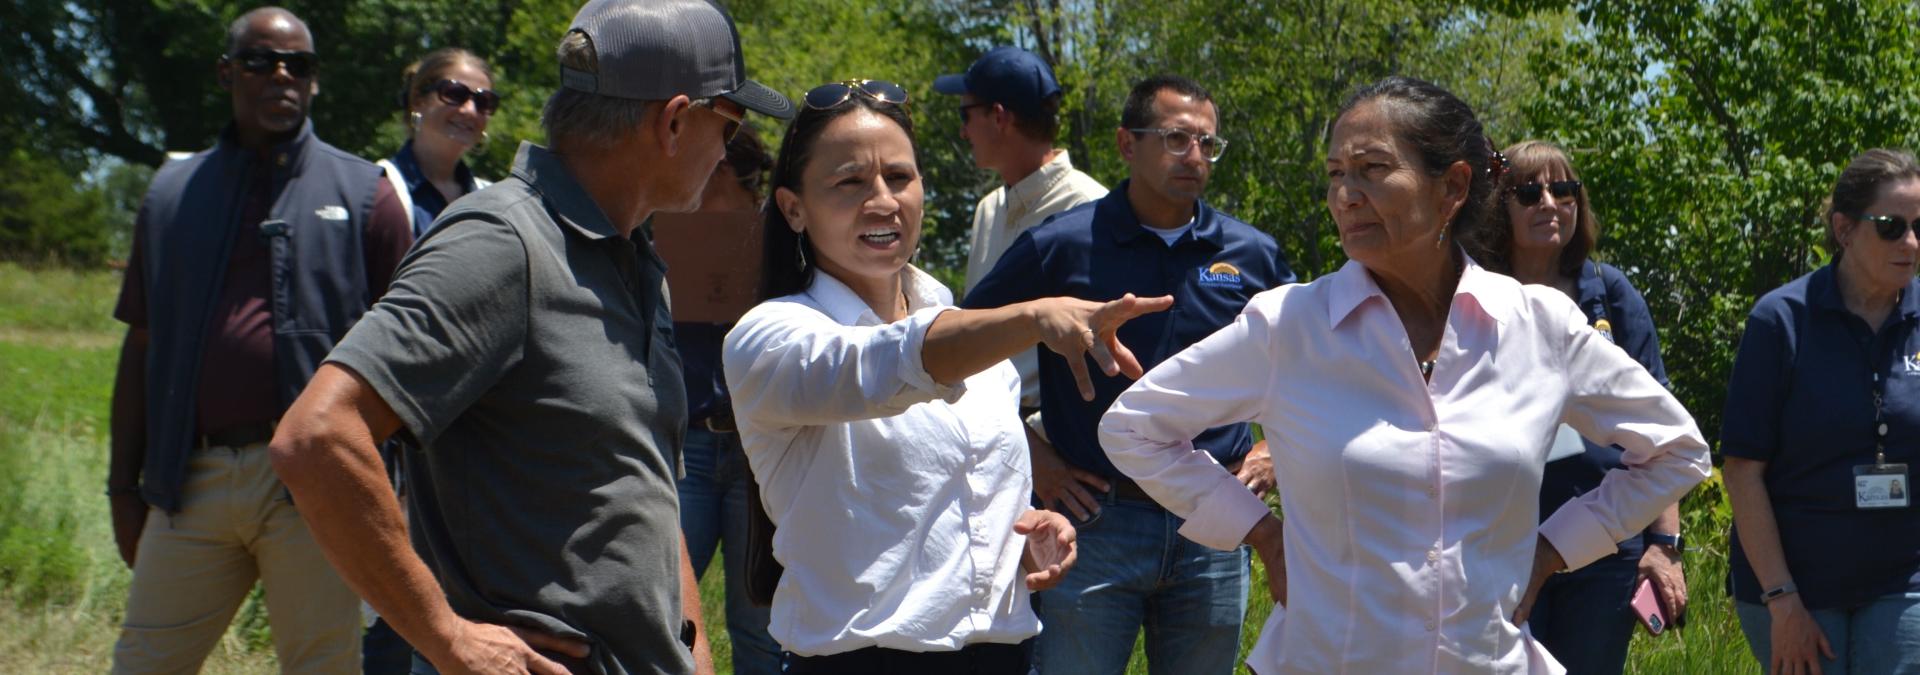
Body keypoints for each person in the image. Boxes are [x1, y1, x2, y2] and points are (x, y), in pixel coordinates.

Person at [1098, 76, 1711, 674]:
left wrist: (1553, 552)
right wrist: (1259, 533)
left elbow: (1678, 452)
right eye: (1337, 173)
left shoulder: (1537, 325)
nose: (1345, 194)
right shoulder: (1290, 327)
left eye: (1371, 169)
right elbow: (1133, 429)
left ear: (1453, 187)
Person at [264, 1, 793, 674]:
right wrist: (449, 637)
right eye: (731, 122)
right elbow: (316, 437)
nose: (729, 149)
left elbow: (642, 483)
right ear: (673, 121)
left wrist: (693, 652)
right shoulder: (501, 242)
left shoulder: (638, 263)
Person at [722, 79, 1157, 674]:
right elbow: (887, 365)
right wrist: (1033, 315)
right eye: (849, 182)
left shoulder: (982, 355)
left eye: (899, 177)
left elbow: (953, 498)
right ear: (793, 208)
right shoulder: (770, 338)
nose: (882, 200)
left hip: (1004, 655)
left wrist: (1032, 533)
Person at [105, 6, 413, 673]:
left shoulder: (368, 195)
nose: (280, 75)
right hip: (192, 480)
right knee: (142, 662)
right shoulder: (170, 194)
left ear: (314, 81)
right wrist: (122, 490)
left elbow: (414, 359)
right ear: (225, 72)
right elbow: (142, 347)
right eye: (259, 61)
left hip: (319, 486)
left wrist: (395, 492)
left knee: (321, 665)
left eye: (297, 64)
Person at [962, 74, 1295, 675]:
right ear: (1125, 144)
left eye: (1207, 144)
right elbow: (957, 346)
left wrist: (1274, 447)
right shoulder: (1062, 246)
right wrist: (1033, 453)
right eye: (1175, 139)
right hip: (1092, 523)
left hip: (1214, 522)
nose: (1194, 156)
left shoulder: (1251, 255)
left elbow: (1316, 363)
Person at [1467, 140, 1688, 674]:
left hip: (1604, 541)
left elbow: (1659, 430)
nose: (1550, 202)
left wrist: (1664, 543)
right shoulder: (1471, 294)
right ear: (1499, 205)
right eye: (1530, 192)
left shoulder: (1611, 294)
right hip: (1493, 541)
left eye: (1563, 189)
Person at [1722, 148, 1920, 675]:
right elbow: (1742, 472)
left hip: (1905, 581)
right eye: (1891, 227)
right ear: (1844, 229)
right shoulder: (1781, 320)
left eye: (1919, 227)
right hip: (1795, 583)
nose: (1911, 243)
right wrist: (1782, 598)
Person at [936, 45, 1107, 414]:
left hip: (1053, 443)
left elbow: (1104, 354)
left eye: (964, 115)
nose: (963, 132)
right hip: (978, 425)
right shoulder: (988, 210)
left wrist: (1046, 455)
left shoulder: (1093, 210)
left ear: (999, 117)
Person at [670, 126, 782, 675]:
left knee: (761, 623)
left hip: (759, 450)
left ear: (727, 170)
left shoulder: (784, 244)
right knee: (664, 610)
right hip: (685, 449)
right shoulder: (657, 232)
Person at [380, 48, 497, 238]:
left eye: (483, 101)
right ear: (418, 100)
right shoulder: (381, 187)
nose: (470, 110)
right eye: (455, 93)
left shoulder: (491, 199)